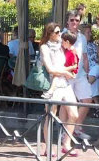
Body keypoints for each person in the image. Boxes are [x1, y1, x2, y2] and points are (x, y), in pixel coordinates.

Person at [39, 22, 78, 156]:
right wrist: (65, 73)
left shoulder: (62, 45)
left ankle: (66, 143)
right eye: (56, 32)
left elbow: (71, 58)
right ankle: (48, 147)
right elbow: (50, 69)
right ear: (49, 34)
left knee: (74, 114)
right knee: (50, 115)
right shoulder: (45, 47)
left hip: (65, 83)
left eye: (60, 31)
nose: (59, 34)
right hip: (52, 84)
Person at [64, 10, 92, 140]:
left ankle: (76, 127)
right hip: (67, 75)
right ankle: (64, 131)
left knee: (87, 100)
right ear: (67, 22)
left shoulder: (82, 37)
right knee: (66, 105)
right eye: (72, 20)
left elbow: (85, 56)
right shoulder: (63, 35)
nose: (75, 22)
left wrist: (87, 73)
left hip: (80, 74)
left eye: (77, 20)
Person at [42, 31, 79, 99]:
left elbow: (75, 66)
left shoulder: (72, 52)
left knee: (57, 73)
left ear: (67, 42)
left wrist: (63, 69)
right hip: (67, 70)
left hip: (71, 72)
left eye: (62, 42)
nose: (61, 43)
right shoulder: (67, 50)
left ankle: (51, 90)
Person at [80, 24, 99, 117]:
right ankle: (98, 109)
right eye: (88, 32)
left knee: (98, 68)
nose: (90, 34)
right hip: (83, 72)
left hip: (93, 72)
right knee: (95, 82)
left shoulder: (94, 46)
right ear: (82, 34)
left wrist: (98, 59)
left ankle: (87, 83)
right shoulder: (77, 46)